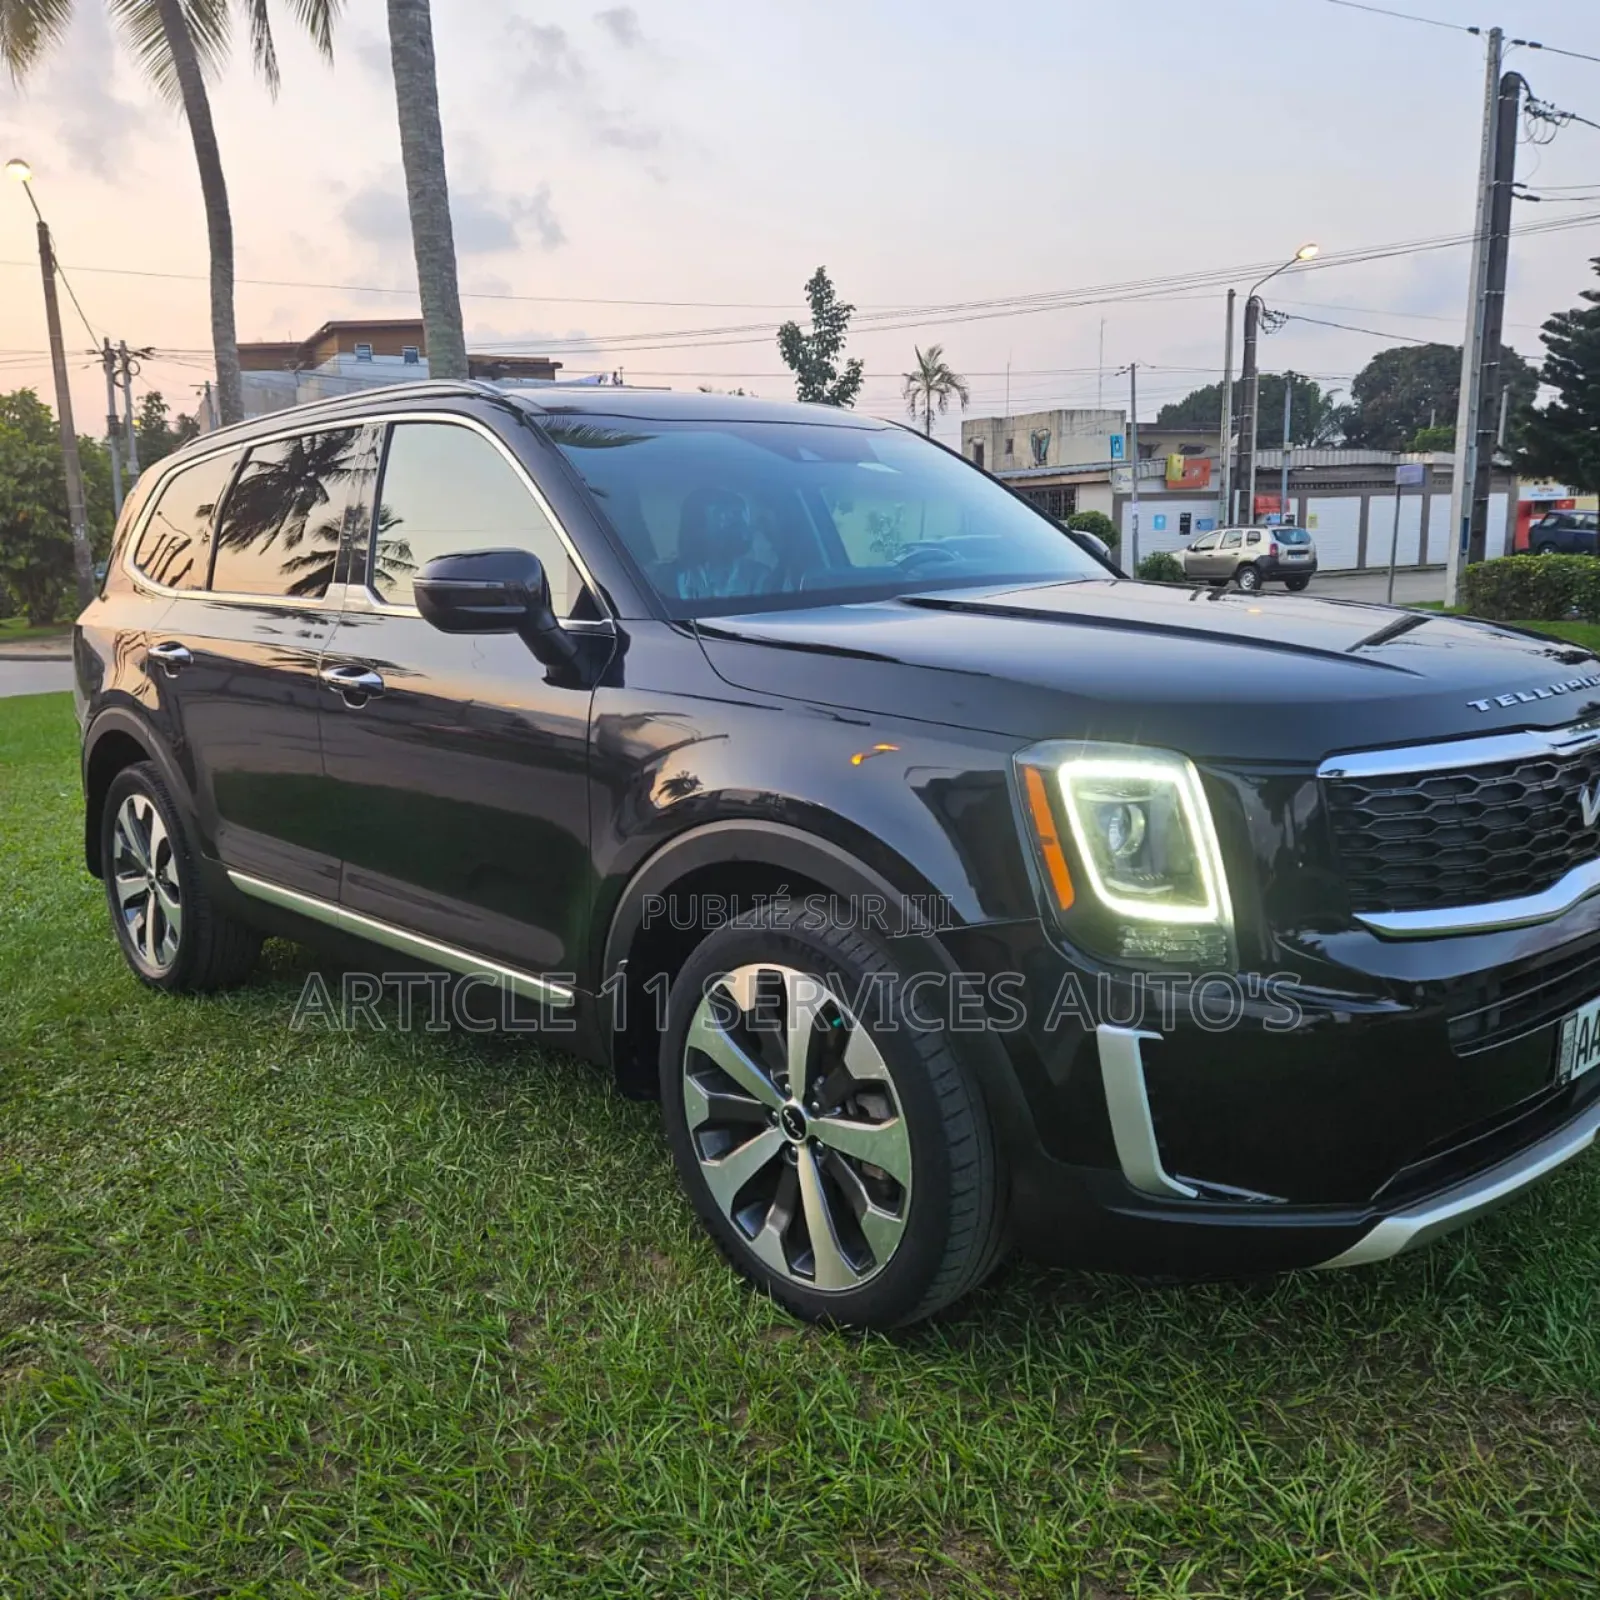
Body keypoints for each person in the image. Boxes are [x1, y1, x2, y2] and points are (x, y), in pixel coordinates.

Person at [669, 487, 773, 600]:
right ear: (695, 528)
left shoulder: (760, 577)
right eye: (721, 515)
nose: (735, 525)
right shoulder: (667, 578)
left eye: (738, 517)